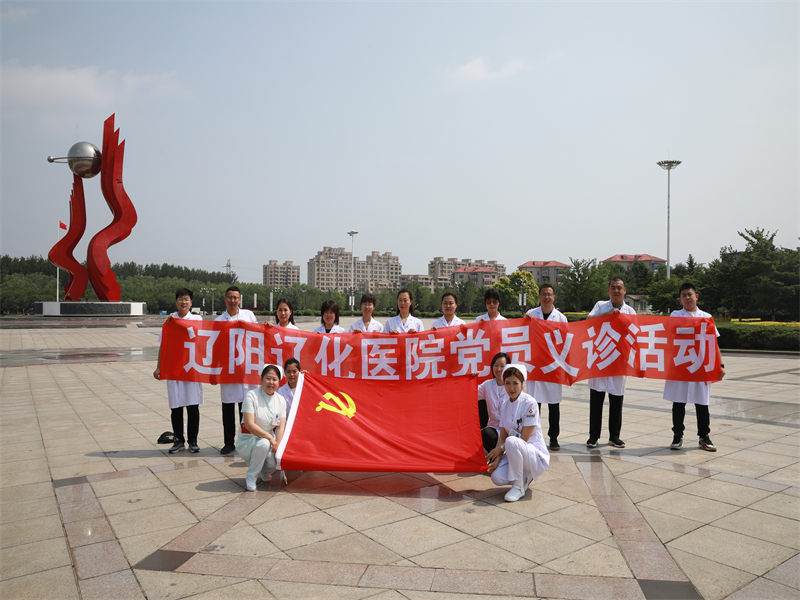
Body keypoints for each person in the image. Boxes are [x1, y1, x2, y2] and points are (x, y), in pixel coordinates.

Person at [663, 283, 725, 452]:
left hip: (700, 365)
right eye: (684, 295)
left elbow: (714, 343)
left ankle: (704, 437)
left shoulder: (706, 317)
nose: (687, 297)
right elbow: (668, 337)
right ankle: (677, 436)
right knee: (678, 402)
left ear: (696, 296)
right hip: (681, 365)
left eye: (690, 294)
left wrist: (720, 365)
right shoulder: (676, 315)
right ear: (680, 299)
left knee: (702, 403)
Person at [485, 364, 550, 502]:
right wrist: (497, 460)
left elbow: (524, 438)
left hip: (533, 453)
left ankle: (519, 486)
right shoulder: (505, 405)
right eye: (507, 383)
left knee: (512, 441)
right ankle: (526, 475)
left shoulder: (530, 403)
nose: (511, 388)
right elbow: (502, 435)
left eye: (515, 383)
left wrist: (500, 450)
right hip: (515, 451)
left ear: (522, 383)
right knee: (496, 478)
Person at [586, 277, 636, 449]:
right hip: (600, 359)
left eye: (619, 288)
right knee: (596, 400)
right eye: (613, 288)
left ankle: (614, 436)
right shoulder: (601, 306)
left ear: (624, 291)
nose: (616, 291)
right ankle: (593, 437)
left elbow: (635, 334)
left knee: (616, 399)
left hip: (618, 360)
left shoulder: (630, 311)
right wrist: (607, 315)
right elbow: (589, 320)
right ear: (608, 290)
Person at [153, 288, 203, 454]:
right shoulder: (170, 321)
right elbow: (163, 346)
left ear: (191, 302)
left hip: (191, 368)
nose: (184, 302)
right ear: (176, 302)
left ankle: (193, 441)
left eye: (187, 299)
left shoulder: (197, 319)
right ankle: (178, 440)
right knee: (176, 407)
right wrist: (159, 367)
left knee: (192, 406)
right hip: (174, 369)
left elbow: (202, 342)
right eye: (181, 299)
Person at [215, 286, 258, 455]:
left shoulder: (248, 315)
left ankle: (246, 442)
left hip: (246, 368)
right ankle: (228, 442)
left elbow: (259, 337)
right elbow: (216, 347)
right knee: (227, 407)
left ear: (240, 299)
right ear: (225, 299)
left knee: (245, 407)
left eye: (236, 297)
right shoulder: (219, 320)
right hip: (227, 369)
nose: (233, 300)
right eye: (230, 297)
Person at [526, 283, 568, 451]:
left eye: (549, 294)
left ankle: (554, 437)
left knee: (554, 403)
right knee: (535, 404)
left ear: (554, 297)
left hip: (552, 366)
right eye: (543, 294)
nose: (546, 297)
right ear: (539, 297)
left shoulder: (561, 318)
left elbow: (565, 342)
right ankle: (535, 436)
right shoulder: (530, 314)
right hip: (536, 365)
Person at [236, 364, 287, 491]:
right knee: (263, 443)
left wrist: (277, 444)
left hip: (270, 440)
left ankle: (265, 471)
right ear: (261, 379)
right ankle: (252, 475)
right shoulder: (251, 396)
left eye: (275, 379)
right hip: (250, 438)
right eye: (268, 378)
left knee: (275, 460)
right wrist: (270, 437)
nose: (271, 382)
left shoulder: (281, 400)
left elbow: (280, 426)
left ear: (279, 382)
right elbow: (249, 424)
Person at [478, 352, 510, 452]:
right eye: (496, 366)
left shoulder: (512, 385)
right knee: (486, 434)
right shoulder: (487, 385)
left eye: (502, 366)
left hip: (511, 429)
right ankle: (493, 458)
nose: (499, 369)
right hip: (494, 428)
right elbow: (470, 393)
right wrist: (470, 379)